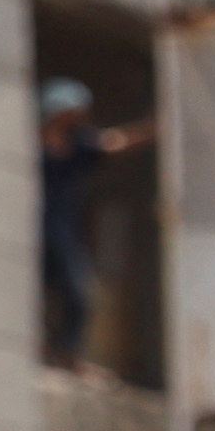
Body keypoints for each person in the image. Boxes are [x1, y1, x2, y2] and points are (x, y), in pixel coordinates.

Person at [38, 79, 144, 373]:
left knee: (77, 295)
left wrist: (152, 127)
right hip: (32, 234)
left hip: (64, 233)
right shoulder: (29, 143)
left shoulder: (78, 144)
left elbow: (114, 143)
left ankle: (67, 355)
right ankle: (41, 352)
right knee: (34, 296)